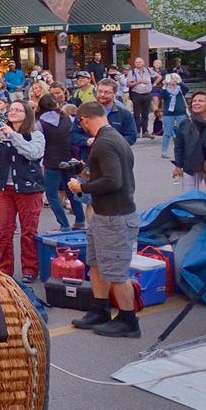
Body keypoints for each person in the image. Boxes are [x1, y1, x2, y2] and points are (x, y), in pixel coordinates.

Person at [67, 101, 142, 338]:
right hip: (104, 215)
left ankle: (128, 320)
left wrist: (81, 187)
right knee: (96, 264)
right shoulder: (114, 137)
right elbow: (111, 176)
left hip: (115, 217)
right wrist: (83, 172)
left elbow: (113, 181)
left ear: (84, 120)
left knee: (116, 272)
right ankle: (100, 309)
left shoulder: (104, 143)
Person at [0, 100, 46, 283]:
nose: (13, 112)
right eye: (11, 109)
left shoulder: (36, 135)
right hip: (4, 188)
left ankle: (30, 269)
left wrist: (14, 135)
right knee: (3, 230)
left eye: (18, 110)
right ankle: (5, 268)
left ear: (27, 115)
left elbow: (33, 153)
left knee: (29, 231)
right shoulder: (1, 134)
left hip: (29, 189)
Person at [37, 92, 84, 232]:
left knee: (52, 194)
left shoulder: (40, 123)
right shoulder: (67, 118)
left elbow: (39, 143)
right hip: (69, 158)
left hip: (51, 161)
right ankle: (80, 221)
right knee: (72, 190)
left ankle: (64, 225)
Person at [72, 79, 138, 152]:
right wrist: (86, 141)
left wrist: (113, 144)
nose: (102, 95)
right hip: (89, 154)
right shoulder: (85, 111)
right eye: (100, 91)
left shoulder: (124, 114)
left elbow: (131, 136)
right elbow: (73, 133)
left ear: (115, 94)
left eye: (107, 92)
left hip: (115, 155)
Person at [157, 72, 188, 158]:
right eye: (171, 79)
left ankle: (183, 150)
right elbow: (161, 96)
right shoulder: (166, 90)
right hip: (168, 114)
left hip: (180, 113)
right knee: (167, 133)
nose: (172, 80)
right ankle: (164, 151)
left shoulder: (180, 89)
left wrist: (179, 82)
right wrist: (164, 86)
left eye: (174, 79)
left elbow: (187, 88)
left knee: (182, 132)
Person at [127, 56, 155, 138]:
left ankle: (145, 131)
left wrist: (154, 84)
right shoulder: (132, 72)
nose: (138, 63)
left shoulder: (148, 71)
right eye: (136, 62)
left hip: (147, 94)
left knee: (146, 113)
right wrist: (139, 82)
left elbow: (159, 76)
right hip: (136, 94)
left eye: (140, 62)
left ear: (143, 63)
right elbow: (129, 84)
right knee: (137, 113)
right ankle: (137, 131)